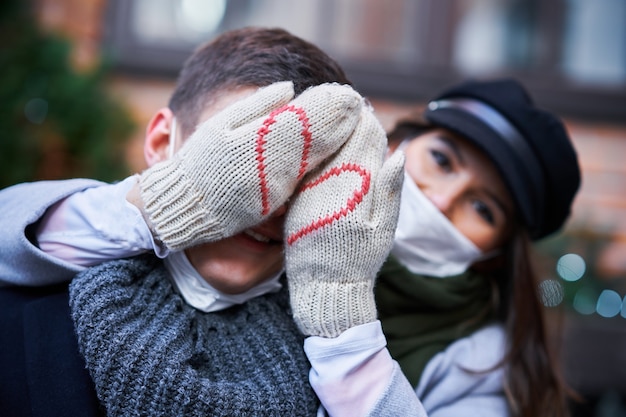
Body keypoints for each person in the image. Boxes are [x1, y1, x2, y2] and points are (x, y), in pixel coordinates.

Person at [0, 26, 404, 416]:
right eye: (245, 160)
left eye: (303, 182)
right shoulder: (37, 280)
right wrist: (164, 202)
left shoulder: (349, 356)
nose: (273, 207)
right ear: (162, 143)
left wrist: (339, 313)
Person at [290, 78, 581, 417]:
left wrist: (346, 335)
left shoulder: (484, 371)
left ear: (494, 256)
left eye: (483, 209)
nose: (443, 200)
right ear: (397, 142)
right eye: (442, 161)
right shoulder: (281, 231)